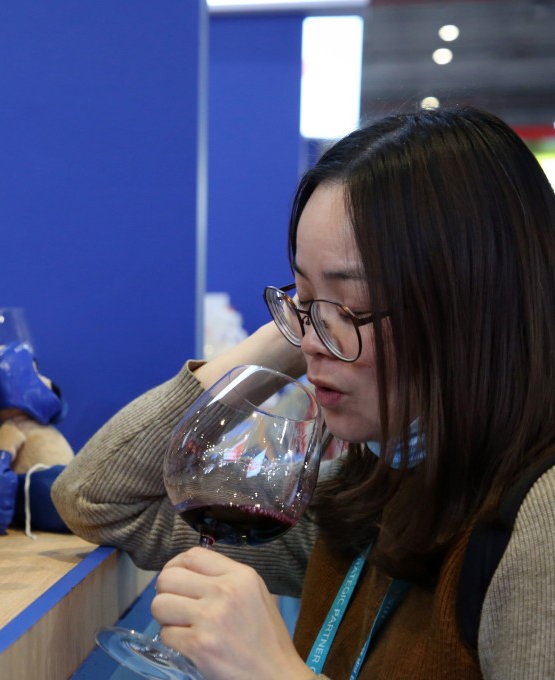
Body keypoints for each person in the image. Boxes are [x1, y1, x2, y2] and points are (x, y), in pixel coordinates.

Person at [51, 106, 555, 679]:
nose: (314, 339)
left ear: (473, 307)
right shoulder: (378, 494)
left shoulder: (537, 523)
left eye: (352, 304)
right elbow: (98, 498)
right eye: (304, 297)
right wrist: (300, 332)